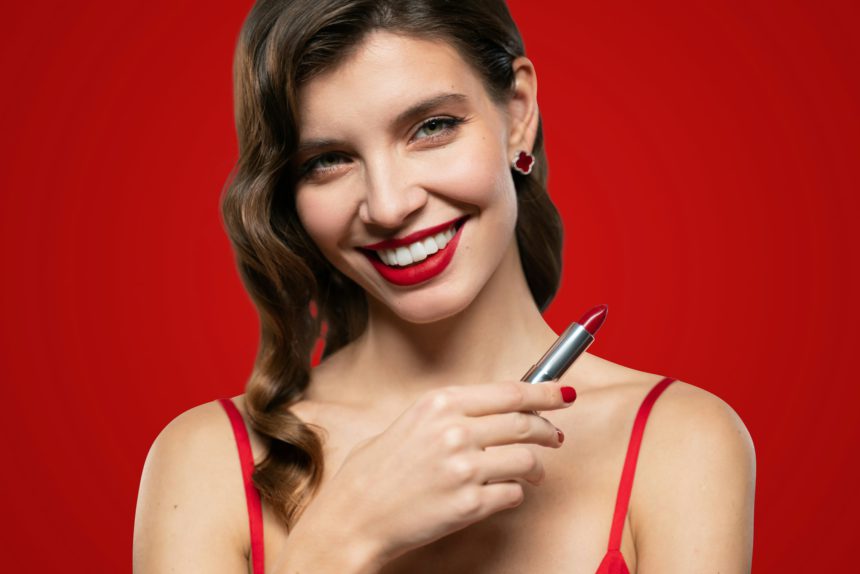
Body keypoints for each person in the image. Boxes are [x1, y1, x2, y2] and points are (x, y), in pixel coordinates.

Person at [133, 1, 756, 572]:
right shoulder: (207, 462)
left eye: (431, 126)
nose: (388, 204)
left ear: (517, 112)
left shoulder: (681, 442)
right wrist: (347, 534)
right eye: (327, 160)